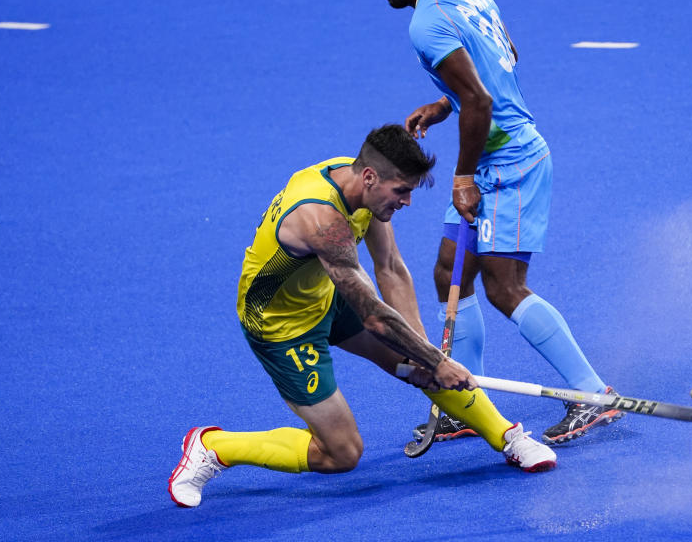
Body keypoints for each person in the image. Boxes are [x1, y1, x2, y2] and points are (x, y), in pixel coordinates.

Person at [168, 125, 556, 508]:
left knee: (418, 358)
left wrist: (423, 354)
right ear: (370, 177)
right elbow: (373, 316)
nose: (406, 202)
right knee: (342, 453)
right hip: (281, 325)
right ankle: (212, 446)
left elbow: (390, 268)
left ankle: (507, 437)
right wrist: (435, 360)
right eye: (401, 191)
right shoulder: (321, 219)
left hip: (328, 294)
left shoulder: (358, 182)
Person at [368, 0, 620, 445]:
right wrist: (446, 103)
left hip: (507, 166)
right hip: (490, 157)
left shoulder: (424, 24)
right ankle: (469, 402)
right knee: (448, 273)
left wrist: (462, 175)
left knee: (505, 289)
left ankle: (592, 393)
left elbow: (481, 100)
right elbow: (504, 59)